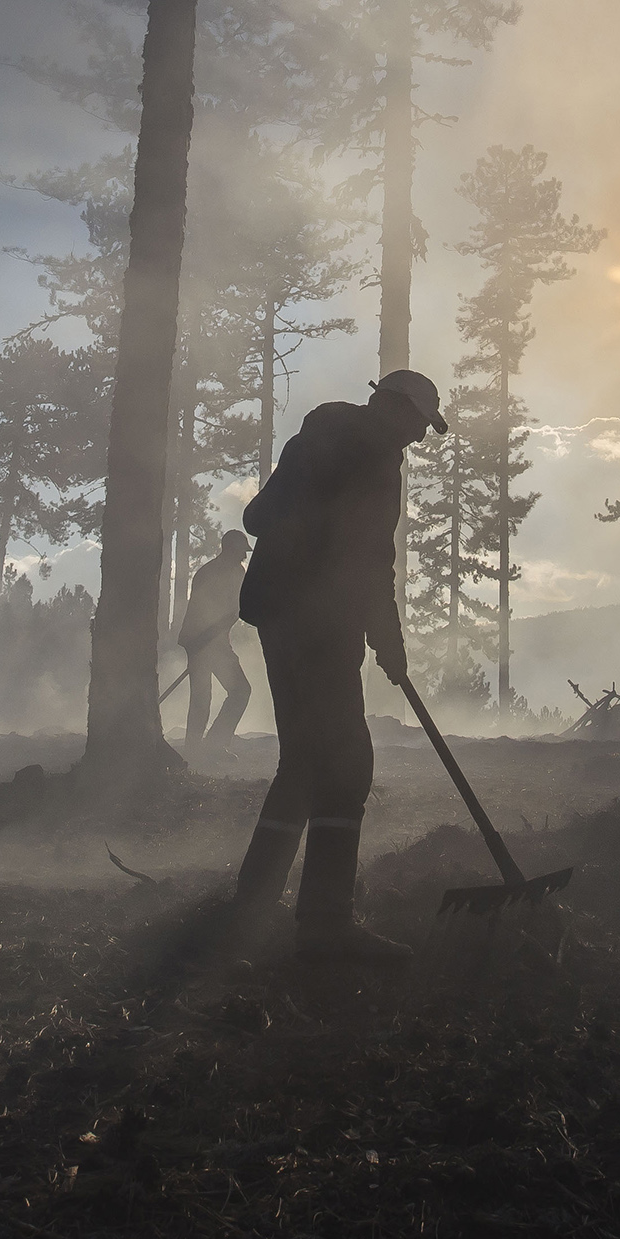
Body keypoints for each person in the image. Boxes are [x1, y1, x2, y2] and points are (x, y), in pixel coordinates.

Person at [227, 370, 445, 966]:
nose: (418, 439)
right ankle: (325, 924)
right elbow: (370, 557)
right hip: (322, 624)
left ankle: (251, 904)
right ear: (396, 408)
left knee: (302, 759)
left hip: (276, 613)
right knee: (346, 765)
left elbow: (257, 516)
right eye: (418, 425)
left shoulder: (315, 438)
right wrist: (387, 638)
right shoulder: (375, 456)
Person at [178, 528, 253, 748]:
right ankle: (195, 749)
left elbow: (235, 610)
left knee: (239, 691)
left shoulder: (236, 572)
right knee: (204, 697)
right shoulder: (209, 573)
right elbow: (199, 610)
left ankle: (214, 745)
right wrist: (198, 642)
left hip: (216, 641)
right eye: (241, 551)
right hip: (199, 641)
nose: (244, 555)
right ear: (229, 549)